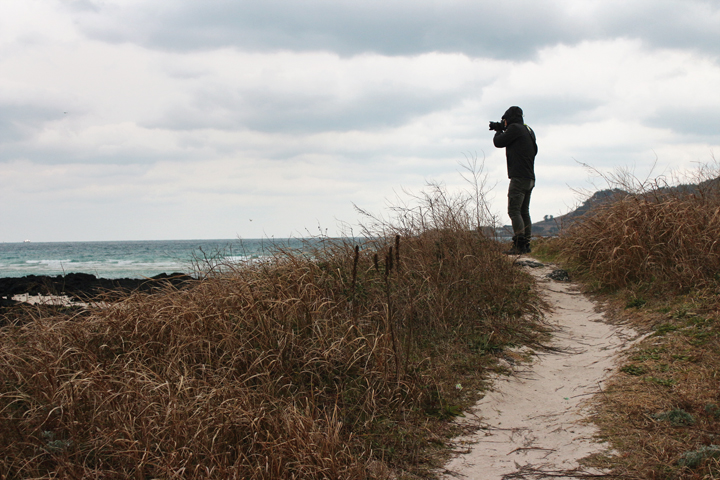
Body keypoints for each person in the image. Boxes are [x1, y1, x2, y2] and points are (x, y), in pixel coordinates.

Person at [490, 106, 537, 255]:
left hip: (519, 177)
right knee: (524, 211)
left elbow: (498, 142)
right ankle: (526, 245)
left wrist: (499, 130)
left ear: (508, 118)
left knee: (514, 211)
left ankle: (519, 245)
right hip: (530, 177)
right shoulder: (528, 129)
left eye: (504, 120)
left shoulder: (515, 128)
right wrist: (504, 128)